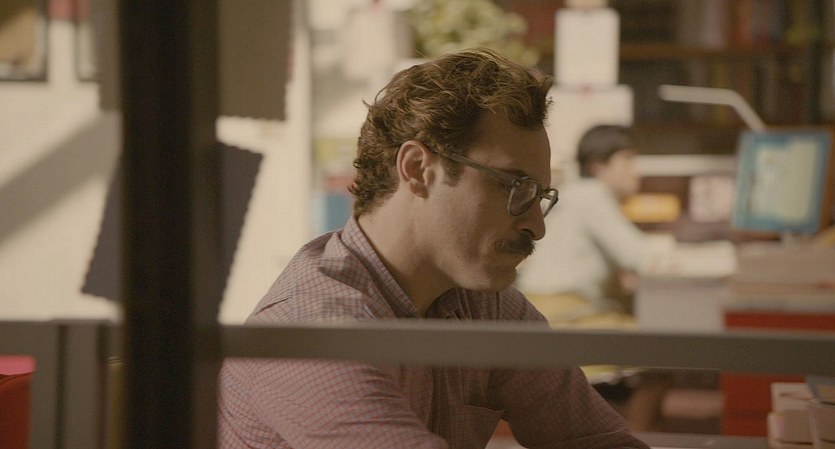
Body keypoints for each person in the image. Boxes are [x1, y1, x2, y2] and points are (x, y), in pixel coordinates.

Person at [218, 48, 649, 449]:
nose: (536, 227)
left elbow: (599, 442)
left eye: (539, 196)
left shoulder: (486, 308)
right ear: (417, 169)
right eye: (514, 187)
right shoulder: (312, 331)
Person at [515, 124, 651, 323]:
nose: (637, 171)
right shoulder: (592, 194)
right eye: (627, 160)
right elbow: (640, 256)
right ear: (597, 165)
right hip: (565, 307)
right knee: (649, 336)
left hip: (539, 302)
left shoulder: (573, 193)